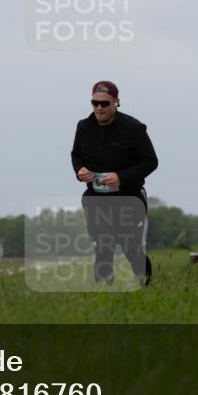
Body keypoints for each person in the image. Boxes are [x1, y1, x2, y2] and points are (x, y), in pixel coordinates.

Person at [70, 80, 159, 287]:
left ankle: (146, 287)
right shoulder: (83, 127)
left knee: (131, 248)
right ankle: (103, 292)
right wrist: (79, 170)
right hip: (96, 197)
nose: (99, 108)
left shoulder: (134, 128)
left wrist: (121, 177)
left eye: (105, 104)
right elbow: (76, 155)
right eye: (95, 103)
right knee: (103, 246)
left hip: (129, 196)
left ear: (116, 102)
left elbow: (151, 161)